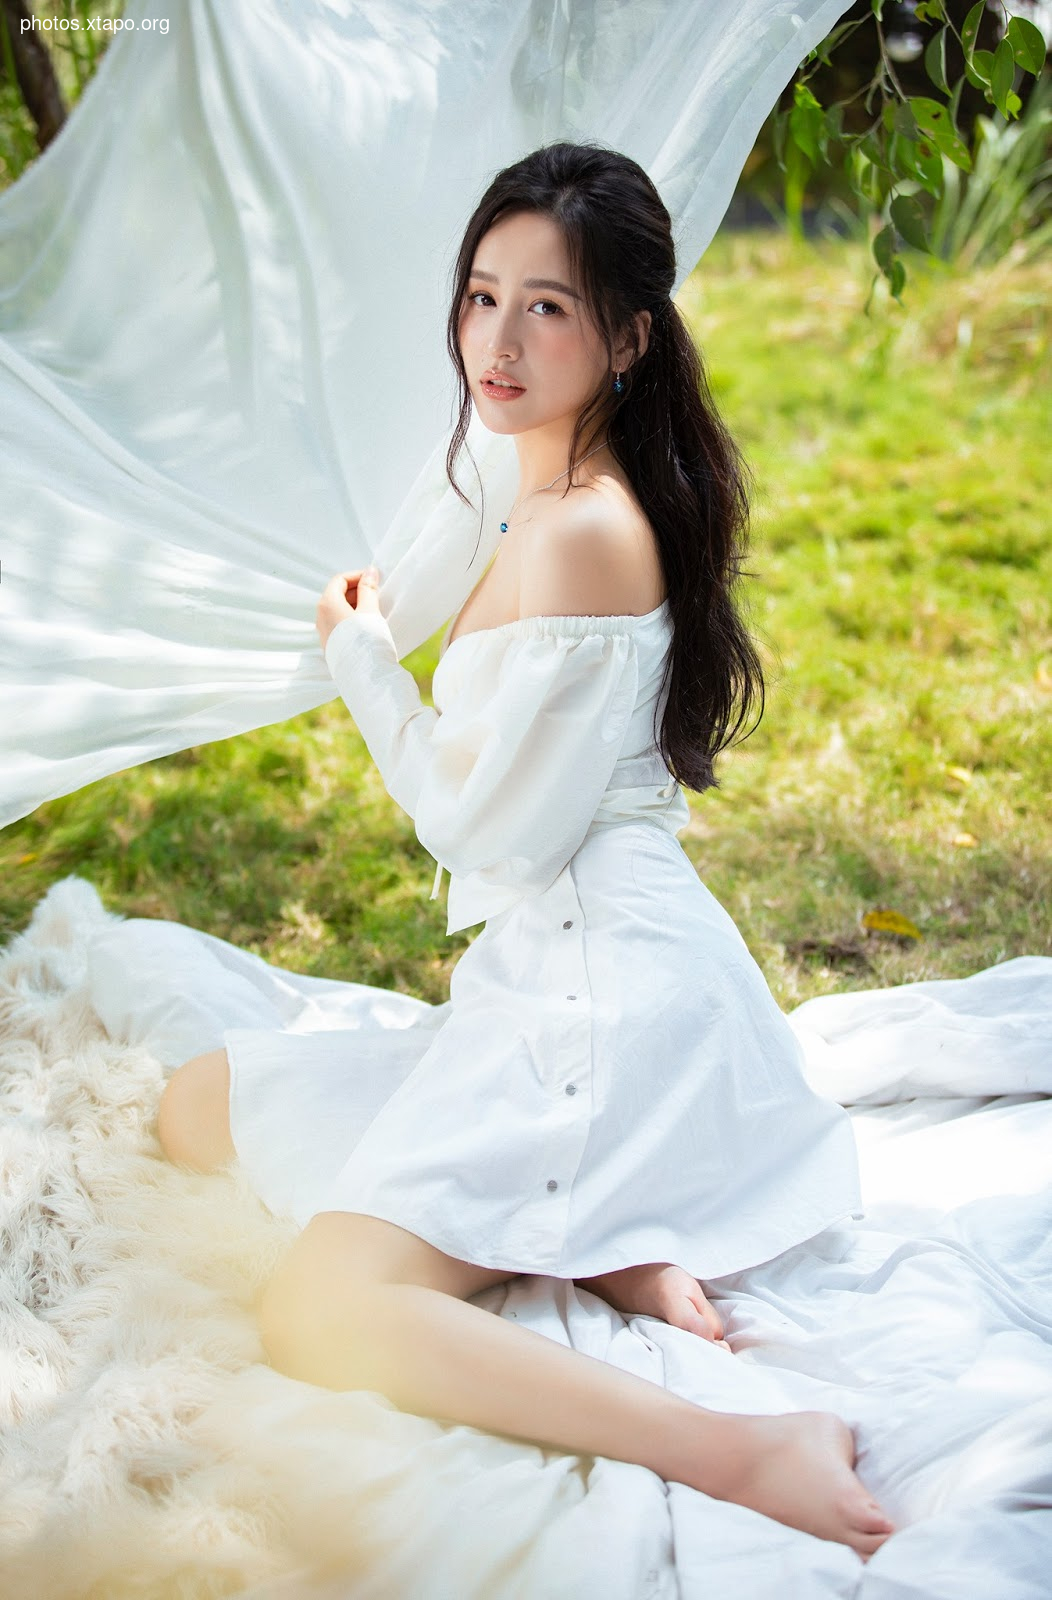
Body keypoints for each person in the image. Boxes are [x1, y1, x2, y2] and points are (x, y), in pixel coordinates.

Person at [152, 142, 896, 1558]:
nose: (496, 340)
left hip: (604, 993)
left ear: (625, 334)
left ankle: (742, 1446)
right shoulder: (536, 483)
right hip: (549, 962)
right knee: (202, 1103)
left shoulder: (586, 535)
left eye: (545, 308)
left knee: (314, 1306)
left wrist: (366, 662)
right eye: (481, 295)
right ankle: (600, 1243)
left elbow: (476, 823)